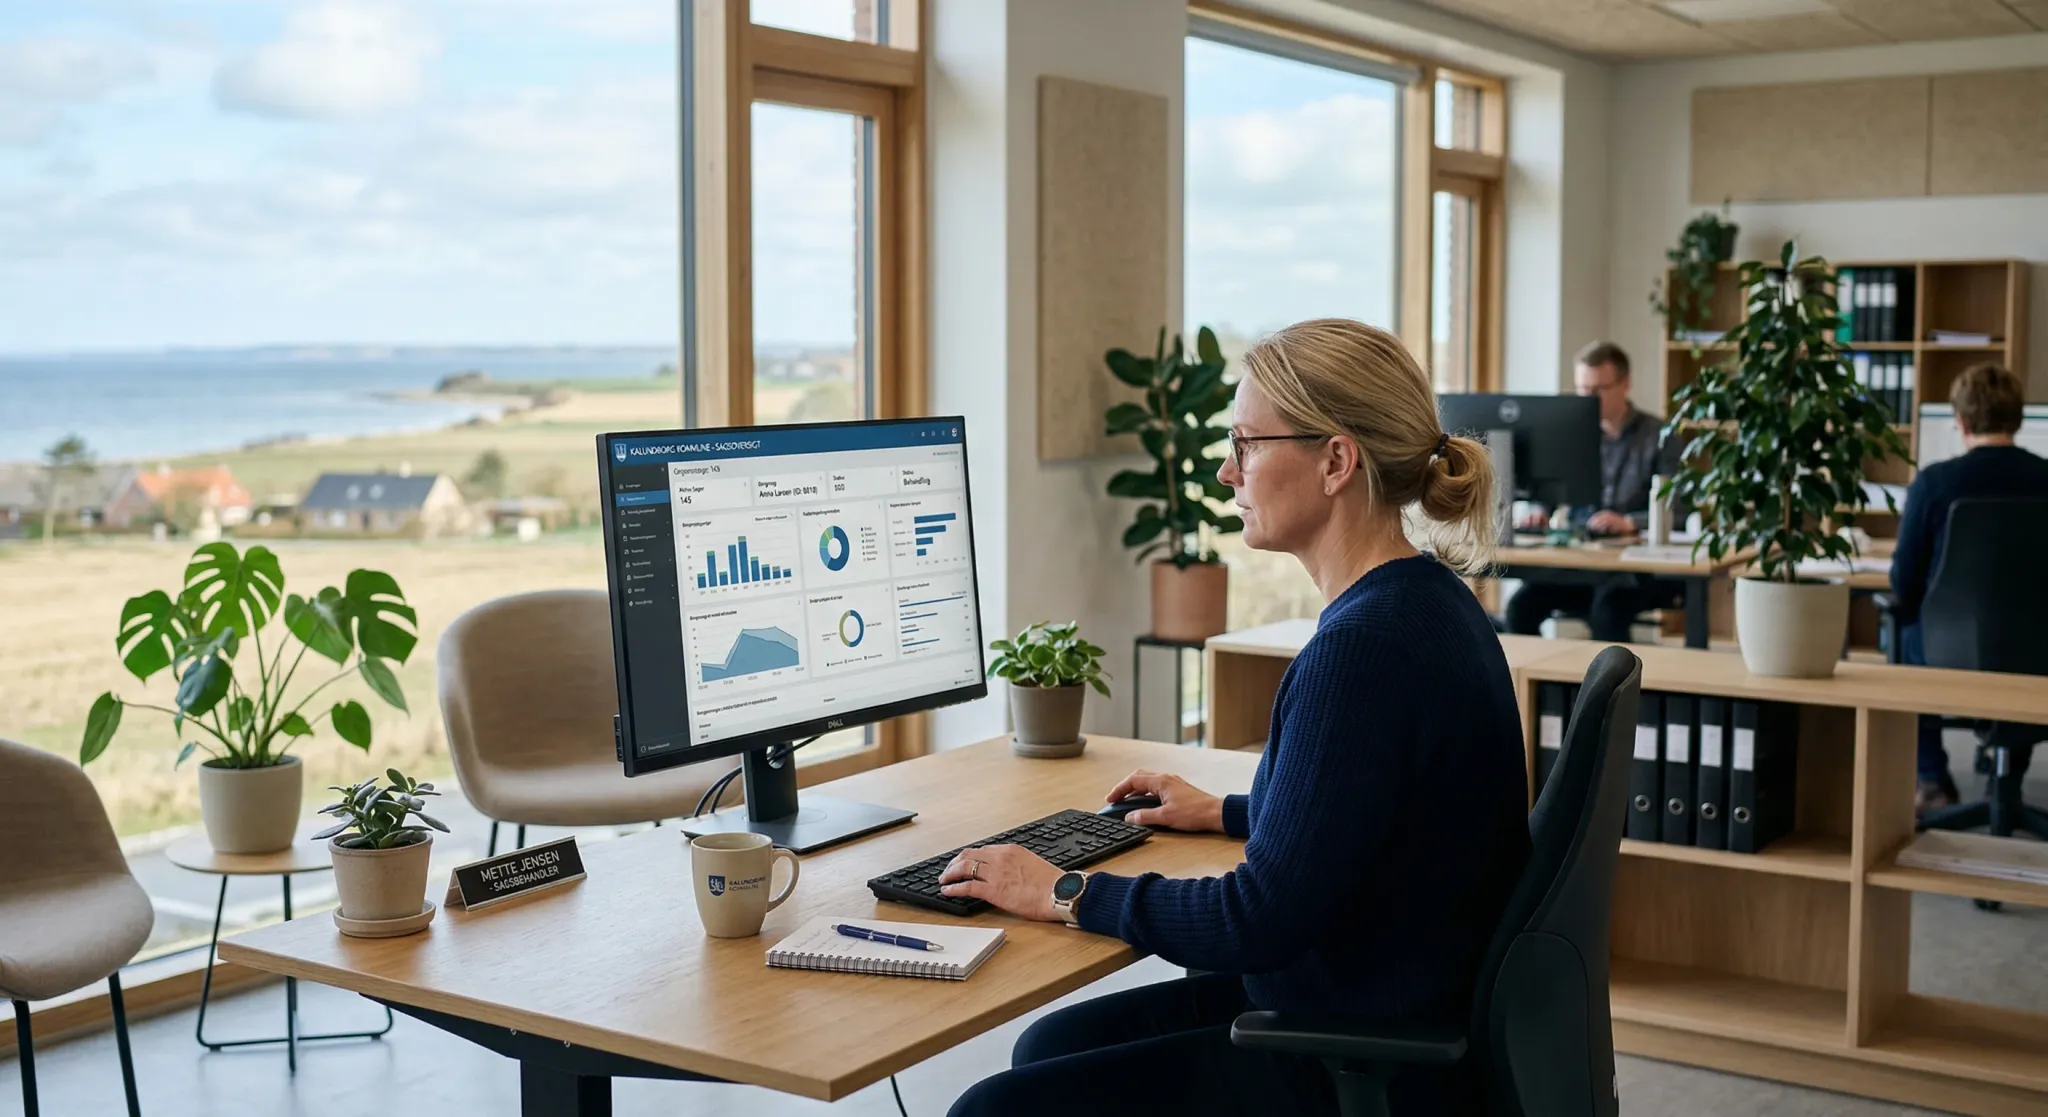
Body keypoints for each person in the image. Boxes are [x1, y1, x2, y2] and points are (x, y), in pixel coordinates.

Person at [940, 319, 1532, 1117]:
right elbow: (1382, 813)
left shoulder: (1360, 653)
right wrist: (1224, 809)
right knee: (1046, 1048)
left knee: (993, 1108)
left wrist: (1064, 888)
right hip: (1384, 1001)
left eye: (1248, 444)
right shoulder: (1428, 602)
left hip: (1359, 1054)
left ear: (1335, 461)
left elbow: (1257, 918)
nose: (1226, 471)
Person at [1889, 363, 2048, 812]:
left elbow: (1903, 583)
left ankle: (1932, 779)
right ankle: (2008, 782)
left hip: (1948, 653)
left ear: (1960, 422)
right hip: (2039, 654)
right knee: (2025, 651)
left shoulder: (1934, 483)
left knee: (1901, 637)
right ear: (2018, 419)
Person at [1503, 340, 1685, 642]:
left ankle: (1611, 688)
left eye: (1598, 389)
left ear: (1625, 384)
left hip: (1635, 573)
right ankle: (1537, 690)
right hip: (1580, 565)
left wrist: (1629, 523)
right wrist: (1539, 511)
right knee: (1520, 608)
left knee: (1607, 613)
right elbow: (1552, 493)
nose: (1588, 398)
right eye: (1582, 389)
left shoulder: (1660, 436)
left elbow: (1678, 508)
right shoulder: (1570, 438)